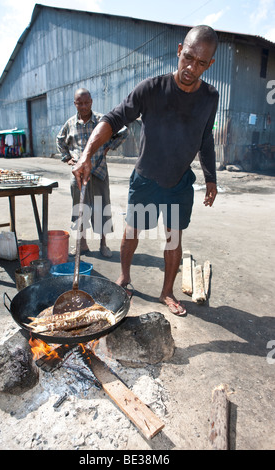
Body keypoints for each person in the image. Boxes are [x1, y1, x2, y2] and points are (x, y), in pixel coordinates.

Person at [72, 26, 219, 315]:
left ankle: (167, 291)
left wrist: (211, 177)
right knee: (132, 232)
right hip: (146, 179)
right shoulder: (151, 89)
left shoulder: (210, 97)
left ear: (210, 64)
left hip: (178, 182)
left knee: (174, 238)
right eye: (188, 57)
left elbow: (206, 137)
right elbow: (113, 119)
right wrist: (86, 154)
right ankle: (125, 276)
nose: (191, 67)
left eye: (201, 63)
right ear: (179, 50)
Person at [57, 88, 128, 258]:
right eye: (79, 103)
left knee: (101, 208)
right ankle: (82, 244)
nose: (83, 106)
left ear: (91, 102)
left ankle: (103, 244)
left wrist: (109, 147)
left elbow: (123, 131)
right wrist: (67, 158)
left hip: (99, 171)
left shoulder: (101, 120)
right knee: (79, 209)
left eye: (86, 102)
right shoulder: (70, 123)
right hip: (78, 175)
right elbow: (60, 140)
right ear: (75, 103)